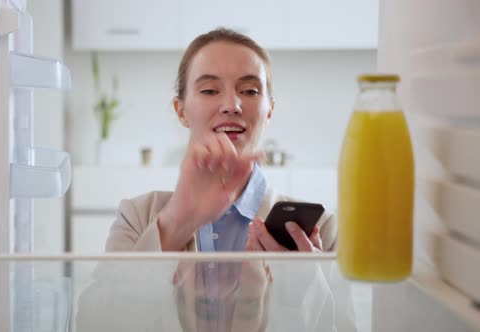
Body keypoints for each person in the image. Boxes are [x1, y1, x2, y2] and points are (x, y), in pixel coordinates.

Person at [105, 28, 337, 253]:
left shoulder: (320, 229)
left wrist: (305, 278)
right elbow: (102, 294)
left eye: (250, 91)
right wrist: (175, 223)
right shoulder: (136, 217)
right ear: (180, 110)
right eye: (209, 90)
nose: (231, 106)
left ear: (269, 111)